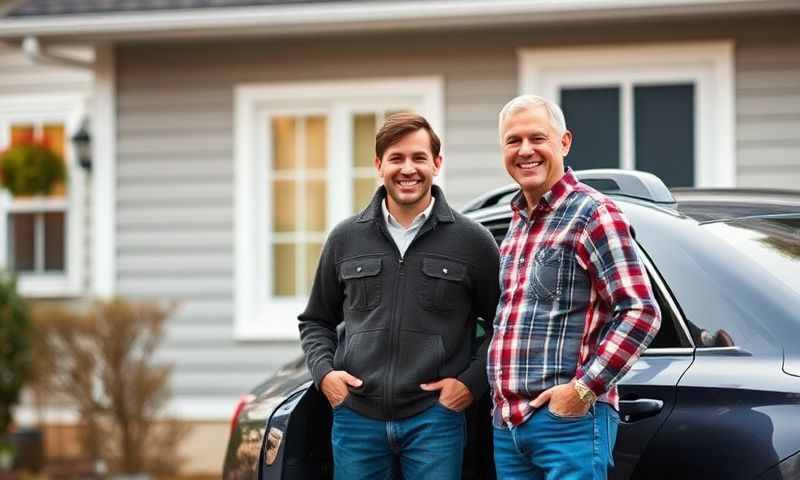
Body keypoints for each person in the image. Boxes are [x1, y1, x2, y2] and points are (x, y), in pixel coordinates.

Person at [299, 113, 500, 479]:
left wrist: (469, 385)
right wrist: (326, 376)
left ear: (436, 164)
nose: (408, 169)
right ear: (379, 165)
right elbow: (316, 321)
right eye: (396, 158)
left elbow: (503, 326)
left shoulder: (473, 242)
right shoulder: (345, 239)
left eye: (419, 158)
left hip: (435, 422)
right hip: (356, 421)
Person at [487, 95, 662, 480]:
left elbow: (640, 312)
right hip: (510, 427)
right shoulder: (516, 225)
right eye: (513, 141)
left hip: (569, 426)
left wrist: (582, 390)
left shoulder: (593, 213)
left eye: (538, 138)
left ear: (564, 142)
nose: (525, 150)